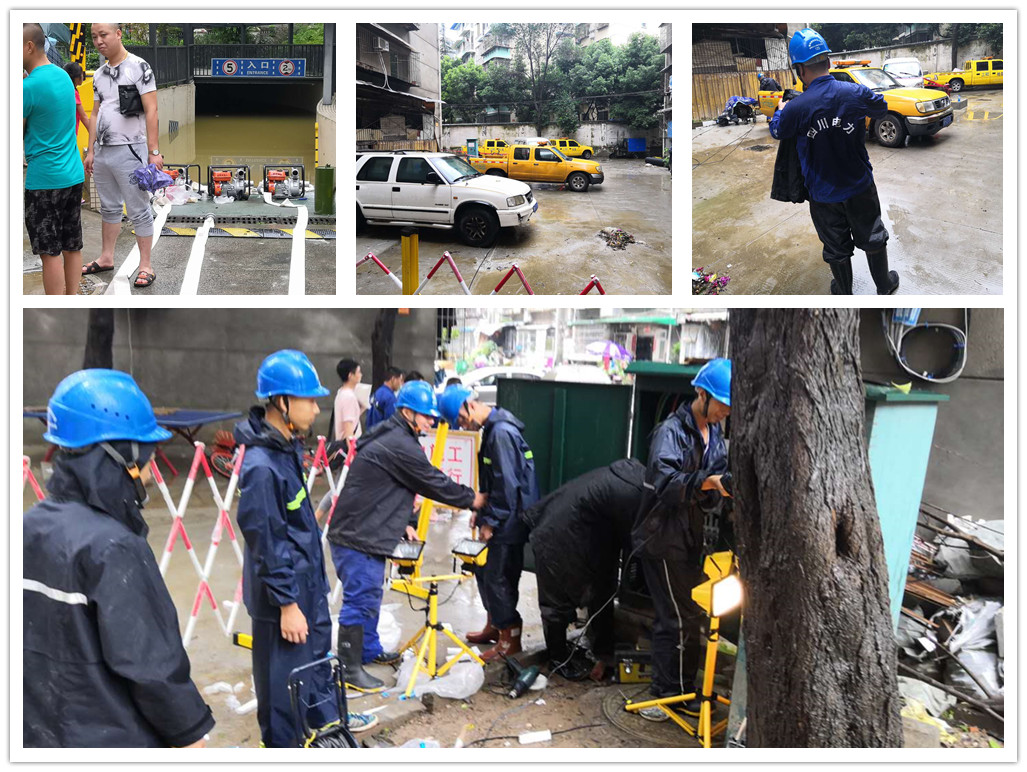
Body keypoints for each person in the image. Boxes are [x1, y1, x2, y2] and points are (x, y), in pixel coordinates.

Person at [24, 369, 213, 747]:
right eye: (146, 457)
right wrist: (191, 735)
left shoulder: (28, 526)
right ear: (119, 455)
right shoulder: (114, 547)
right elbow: (152, 669)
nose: (146, 474)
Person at [234, 350, 376, 747]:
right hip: (285, 602)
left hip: (304, 591)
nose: (317, 408)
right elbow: (265, 539)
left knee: (311, 680)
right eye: (309, 400)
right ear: (282, 403)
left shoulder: (284, 451)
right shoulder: (262, 466)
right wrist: (287, 605)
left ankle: (316, 742)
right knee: (284, 697)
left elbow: (288, 522)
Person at [328, 380, 486, 691]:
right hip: (356, 535)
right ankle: (348, 667)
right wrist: (473, 499)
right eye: (426, 415)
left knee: (371, 596)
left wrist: (402, 524)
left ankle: (369, 649)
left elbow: (383, 488)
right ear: (406, 412)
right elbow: (432, 481)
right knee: (360, 600)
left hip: (364, 530)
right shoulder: (400, 444)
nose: (431, 420)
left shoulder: (393, 434)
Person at [630, 358, 733, 721]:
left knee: (689, 616)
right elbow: (664, 481)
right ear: (702, 395)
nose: (724, 412)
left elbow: (713, 485)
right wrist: (707, 482)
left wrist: (715, 489)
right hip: (661, 536)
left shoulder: (715, 433)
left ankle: (683, 690)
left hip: (688, 538)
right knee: (676, 617)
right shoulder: (670, 432)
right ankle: (665, 695)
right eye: (721, 404)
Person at [770, 29, 898, 296]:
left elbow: (778, 131)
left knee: (835, 245)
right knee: (872, 233)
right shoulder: (854, 92)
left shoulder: (796, 107)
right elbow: (880, 107)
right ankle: (884, 286)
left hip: (823, 193)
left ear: (799, 69)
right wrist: (859, 101)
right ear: (827, 61)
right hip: (859, 185)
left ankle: (844, 291)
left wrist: (780, 112)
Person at [439, 385, 539, 662]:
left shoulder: (501, 434)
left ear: (469, 406)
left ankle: (510, 638)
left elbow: (508, 485)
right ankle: (495, 625)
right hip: (502, 517)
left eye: (459, 419)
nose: (461, 425)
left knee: (499, 578)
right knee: (485, 573)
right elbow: (494, 481)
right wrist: (480, 513)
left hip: (509, 522)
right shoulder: (493, 430)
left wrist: (491, 522)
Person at [521, 458, 646, 680]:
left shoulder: (635, 482)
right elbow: (635, 544)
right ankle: (558, 660)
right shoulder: (635, 495)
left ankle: (601, 652)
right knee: (556, 601)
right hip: (557, 535)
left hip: (578, 531)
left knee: (604, 590)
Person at [81, 23, 162, 288]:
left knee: (138, 209)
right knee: (109, 207)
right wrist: (91, 150)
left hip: (131, 149)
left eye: (103, 35)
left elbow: (152, 110)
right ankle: (106, 257)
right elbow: (95, 113)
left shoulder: (140, 67)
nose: (98, 41)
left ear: (118, 34)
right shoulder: (101, 74)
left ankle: (146, 264)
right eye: (94, 37)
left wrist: (154, 152)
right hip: (103, 151)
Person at [23, 23, 84, 295]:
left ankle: (57, 309)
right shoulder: (63, 77)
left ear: (28, 47)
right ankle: (73, 302)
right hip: (73, 175)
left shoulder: (29, 86)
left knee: (49, 253)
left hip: (45, 182)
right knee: (72, 245)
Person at [333, 358, 363, 444]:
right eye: (358, 372)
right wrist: (352, 453)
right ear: (350, 375)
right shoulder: (349, 397)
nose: (361, 375)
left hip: (342, 444)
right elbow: (348, 428)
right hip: (348, 447)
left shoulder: (341, 392)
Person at [365, 366, 404, 431]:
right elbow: (392, 422)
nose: (400, 384)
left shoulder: (376, 393)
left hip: (370, 434)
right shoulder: (390, 397)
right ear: (393, 379)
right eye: (399, 380)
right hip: (381, 435)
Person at [64, 61, 89, 136]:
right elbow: (83, 116)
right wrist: (93, 133)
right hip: (70, 134)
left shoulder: (64, 90)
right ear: (76, 77)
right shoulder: (73, 93)